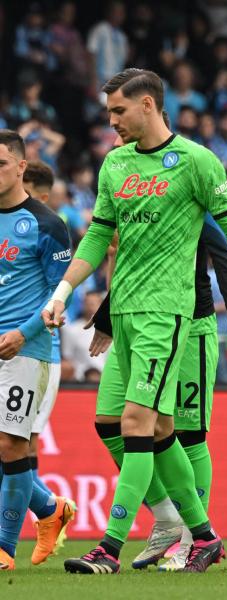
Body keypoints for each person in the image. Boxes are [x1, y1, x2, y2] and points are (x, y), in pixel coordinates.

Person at [41, 68, 227, 574]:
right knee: (133, 425)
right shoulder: (114, 165)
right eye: (109, 111)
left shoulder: (198, 163)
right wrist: (64, 291)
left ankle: (108, 548)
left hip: (169, 314)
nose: (111, 121)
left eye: (118, 111)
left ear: (150, 106)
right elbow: (98, 237)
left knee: (144, 424)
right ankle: (203, 536)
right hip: (126, 313)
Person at [93, 214, 227, 572]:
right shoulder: (132, 193)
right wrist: (108, 317)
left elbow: (225, 254)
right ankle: (168, 517)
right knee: (109, 422)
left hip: (190, 324)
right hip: (136, 323)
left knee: (187, 435)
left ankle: (193, 539)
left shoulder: (187, 191)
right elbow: (130, 263)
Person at [0, 131, 74, 570]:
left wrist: (22, 335)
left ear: (21, 167)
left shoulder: (47, 224)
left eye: (1, 164)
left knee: (11, 444)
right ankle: (50, 508)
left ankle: (5, 547)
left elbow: (59, 294)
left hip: (27, 351)